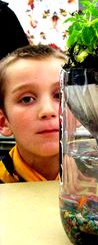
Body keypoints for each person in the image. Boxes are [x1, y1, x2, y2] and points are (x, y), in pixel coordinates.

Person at [0, 44, 67, 183]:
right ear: (3, 122)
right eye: (26, 99)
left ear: (78, 109)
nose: (47, 111)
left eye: (59, 96)